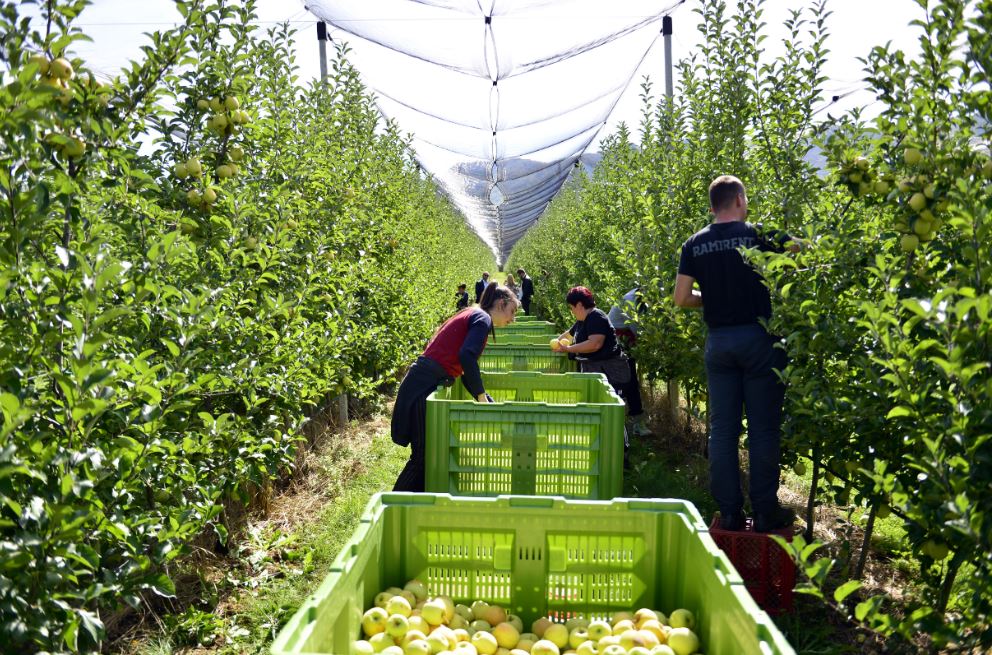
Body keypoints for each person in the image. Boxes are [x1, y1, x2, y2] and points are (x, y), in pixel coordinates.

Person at [673, 175, 800, 533]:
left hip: (720, 343)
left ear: (713, 206)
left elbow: (681, 298)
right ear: (740, 200)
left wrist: (710, 299)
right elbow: (803, 252)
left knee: (723, 431)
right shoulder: (759, 233)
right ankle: (763, 512)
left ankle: (729, 513)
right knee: (762, 431)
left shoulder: (694, 243)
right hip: (760, 339)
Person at [392, 284, 520, 492]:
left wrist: (484, 397)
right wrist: (479, 395)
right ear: (501, 304)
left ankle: (416, 507)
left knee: (427, 455)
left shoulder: (474, 314)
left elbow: (464, 368)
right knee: (423, 457)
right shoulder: (482, 319)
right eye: (512, 312)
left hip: (422, 382)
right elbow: (467, 356)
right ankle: (393, 508)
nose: (512, 319)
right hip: (423, 386)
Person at [553, 286, 631, 463]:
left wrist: (568, 349)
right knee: (598, 411)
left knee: (613, 412)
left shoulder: (596, 317)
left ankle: (622, 454)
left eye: (571, 308)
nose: (572, 312)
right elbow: (569, 333)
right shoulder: (582, 320)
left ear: (579, 305)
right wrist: (557, 343)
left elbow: (594, 344)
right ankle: (602, 449)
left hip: (611, 372)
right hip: (595, 371)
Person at [607, 287, 650, 437]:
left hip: (625, 339)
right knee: (629, 380)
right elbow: (636, 327)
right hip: (619, 340)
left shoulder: (640, 297)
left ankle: (631, 420)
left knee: (630, 380)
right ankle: (633, 422)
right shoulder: (632, 300)